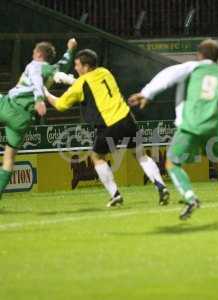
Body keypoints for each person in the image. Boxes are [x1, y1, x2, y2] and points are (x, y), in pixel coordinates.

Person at [129, 39, 218, 221]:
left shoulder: (192, 67)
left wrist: (147, 93)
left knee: (172, 163)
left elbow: (167, 76)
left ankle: (190, 198)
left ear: (199, 55)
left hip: (190, 125)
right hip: (212, 127)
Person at [44, 49, 169, 207]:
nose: (75, 68)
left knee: (97, 157)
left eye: (77, 65)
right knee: (141, 155)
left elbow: (61, 105)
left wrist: (45, 92)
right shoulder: (105, 72)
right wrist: (70, 80)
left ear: (86, 66)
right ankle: (161, 187)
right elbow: (91, 84)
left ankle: (115, 195)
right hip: (128, 118)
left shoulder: (82, 84)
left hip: (110, 124)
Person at [0, 38, 77, 199]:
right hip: (23, 120)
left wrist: (39, 99)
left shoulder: (34, 65)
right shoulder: (53, 69)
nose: (33, 53)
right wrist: (70, 50)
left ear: (39, 53)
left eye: (34, 51)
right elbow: (64, 64)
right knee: (9, 158)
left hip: (9, 106)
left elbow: (36, 79)